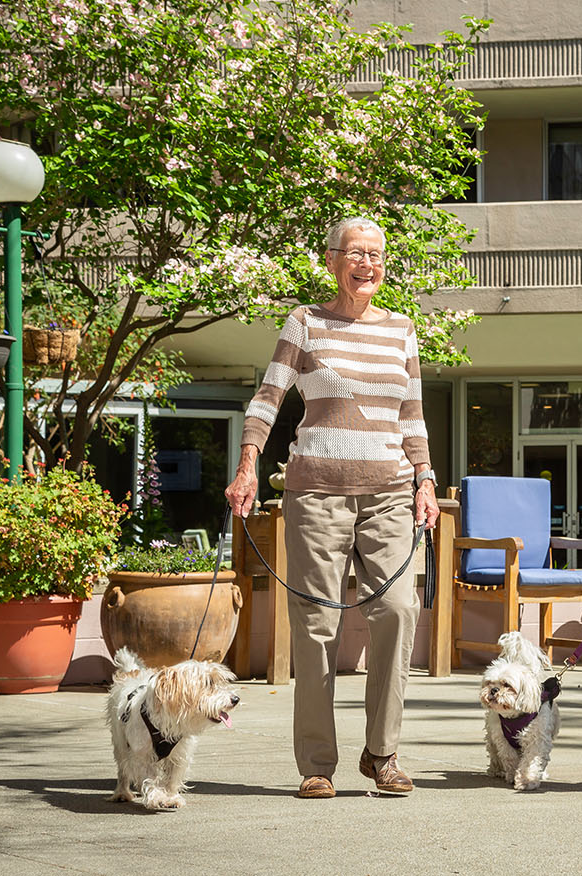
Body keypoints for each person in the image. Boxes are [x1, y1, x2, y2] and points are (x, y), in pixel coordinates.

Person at [225, 216, 439, 799]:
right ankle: (318, 764)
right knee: (316, 624)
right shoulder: (305, 323)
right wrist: (248, 466)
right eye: (355, 253)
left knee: (397, 608)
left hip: (391, 492)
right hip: (316, 492)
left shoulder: (402, 330)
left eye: (376, 255)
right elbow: (267, 399)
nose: (366, 264)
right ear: (331, 261)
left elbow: (411, 415)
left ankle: (383, 752)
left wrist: (425, 478)